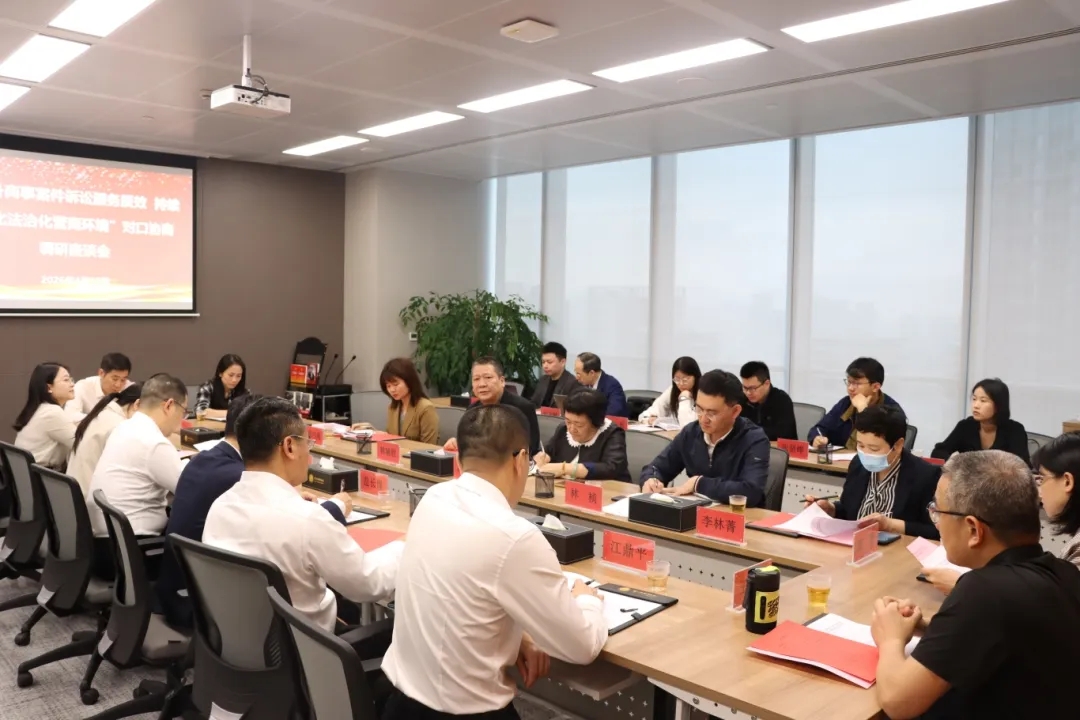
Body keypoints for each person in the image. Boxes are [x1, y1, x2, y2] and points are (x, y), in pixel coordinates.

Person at [382, 404, 607, 720]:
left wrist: (516, 636)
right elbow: (582, 646)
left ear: (459, 459)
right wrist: (587, 600)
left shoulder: (433, 497)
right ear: (521, 460)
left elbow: (458, 598)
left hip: (399, 706)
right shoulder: (515, 537)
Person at [869, 450, 1080, 720]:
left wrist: (890, 638)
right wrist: (930, 627)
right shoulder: (1063, 573)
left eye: (938, 511)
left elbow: (897, 702)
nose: (937, 523)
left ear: (973, 530)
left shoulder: (985, 591)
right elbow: (1000, 639)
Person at [202, 397, 402, 650]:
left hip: (239, 649)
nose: (309, 455)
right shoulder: (307, 519)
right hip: (309, 654)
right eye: (307, 443)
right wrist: (405, 550)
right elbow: (367, 584)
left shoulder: (220, 507)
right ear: (289, 447)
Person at [157, 394, 354, 629]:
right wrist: (336, 506)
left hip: (208, 611)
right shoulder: (236, 477)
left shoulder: (203, 460)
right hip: (211, 612)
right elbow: (294, 524)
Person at [87, 373, 188, 579]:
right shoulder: (154, 442)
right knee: (194, 523)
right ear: (169, 405)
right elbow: (189, 489)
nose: (182, 420)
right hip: (132, 553)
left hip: (104, 546)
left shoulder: (125, 426)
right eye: (184, 411)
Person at [803, 405, 939, 540]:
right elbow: (849, 511)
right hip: (854, 545)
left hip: (896, 550)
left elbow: (936, 531)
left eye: (874, 449)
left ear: (898, 446)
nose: (865, 453)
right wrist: (831, 510)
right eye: (860, 445)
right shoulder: (858, 464)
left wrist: (890, 525)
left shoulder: (925, 475)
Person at [639, 370, 769, 505]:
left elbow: (752, 491)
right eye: (699, 409)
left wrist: (699, 483)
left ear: (735, 411)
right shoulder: (691, 432)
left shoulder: (754, 439)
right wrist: (651, 480)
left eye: (712, 413)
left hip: (738, 515)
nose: (703, 419)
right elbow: (656, 468)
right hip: (696, 512)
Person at [443, 357, 540, 457]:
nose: (482, 384)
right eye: (476, 379)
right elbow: (468, 442)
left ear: (502, 381)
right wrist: (457, 443)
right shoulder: (472, 409)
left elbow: (531, 450)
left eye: (488, 377)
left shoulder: (523, 408)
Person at [533, 389, 630, 481]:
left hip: (608, 489)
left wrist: (565, 468)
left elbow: (611, 468)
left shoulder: (612, 433)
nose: (571, 429)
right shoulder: (563, 429)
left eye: (578, 424)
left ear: (595, 422)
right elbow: (548, 451)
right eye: (568, 421)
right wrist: (543, 457)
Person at [808, 357, 902, 450]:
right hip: (840, 458)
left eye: (857, 384)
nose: (850, 388)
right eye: (849, 382)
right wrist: (817, 438)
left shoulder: (892, 410)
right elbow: (820, 428)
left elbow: (877, 445)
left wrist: (864, 411)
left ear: (875, 387)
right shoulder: (846, 403)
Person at [67, 384, 142, 499]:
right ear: (137, 404)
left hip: (76, 496)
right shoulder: (119, 425)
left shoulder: (104, 414)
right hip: (90, 500)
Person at [931, 378, 1029, 464]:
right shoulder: (965, 426)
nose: (976, 405)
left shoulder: (1015, 430)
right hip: (968, 478)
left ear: (998, 405)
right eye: (974, 399)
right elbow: (938, 452)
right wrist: (955, 461)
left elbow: (1022, 465)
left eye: (983, 401)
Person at [352, 358, 438, 443]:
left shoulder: (425, 408)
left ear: (409, 381)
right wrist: (372, 431)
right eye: (388, 386)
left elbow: (429, 446)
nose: (392, 390)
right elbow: (391, 438)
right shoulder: (393, 407)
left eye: (395, 384)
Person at [14, 362, 77, 469]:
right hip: (42, 475)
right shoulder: (52, 413)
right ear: (49, 387)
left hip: (25, 473)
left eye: (71, 379)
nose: (72, 384)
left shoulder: (41, 408)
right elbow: (81, 444)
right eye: (66, 380)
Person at [739, 361, 798, 441]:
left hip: (776, 448)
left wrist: (751, 432)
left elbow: (784, 434)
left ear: (767, 384)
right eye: (745, 388)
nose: (748, 393)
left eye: (753, 388)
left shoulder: (782, 400)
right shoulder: (742, 400)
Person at [638, 357, 700, 428]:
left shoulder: (703, 394)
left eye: (685, 380)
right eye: (677, 380)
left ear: (695, 377)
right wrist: (649, 419)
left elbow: (687, 426)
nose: (681, 384)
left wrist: (684, 398)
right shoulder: (672, 390)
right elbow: (644, 415)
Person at [66, 352, 133, 417]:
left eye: (123, 380)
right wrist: (102, 420)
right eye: (114, 379)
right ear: (101, 373)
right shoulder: (83, 387)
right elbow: (71, 415)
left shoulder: (129, 389)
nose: (118, 385)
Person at [574, 352, 628, 418]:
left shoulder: (612, 386)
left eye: (579, 374)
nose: (576, 377)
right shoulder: (580, 384)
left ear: (591, 373)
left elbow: (613, 413)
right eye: (576, 372)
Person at [194, 353, 247, 420]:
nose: (234, 380)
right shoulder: (208, 388)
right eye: (230, 375)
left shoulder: (244, 392)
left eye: (238, 376)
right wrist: (232, 413)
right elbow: (201, 412)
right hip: (210, 426)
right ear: (220, 373)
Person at [529, 342, 581, 409]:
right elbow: (533, 403)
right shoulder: (543, 380)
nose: (545, 366)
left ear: (562, 362)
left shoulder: (572, 383)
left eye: (549, 362)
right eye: (543, 362)